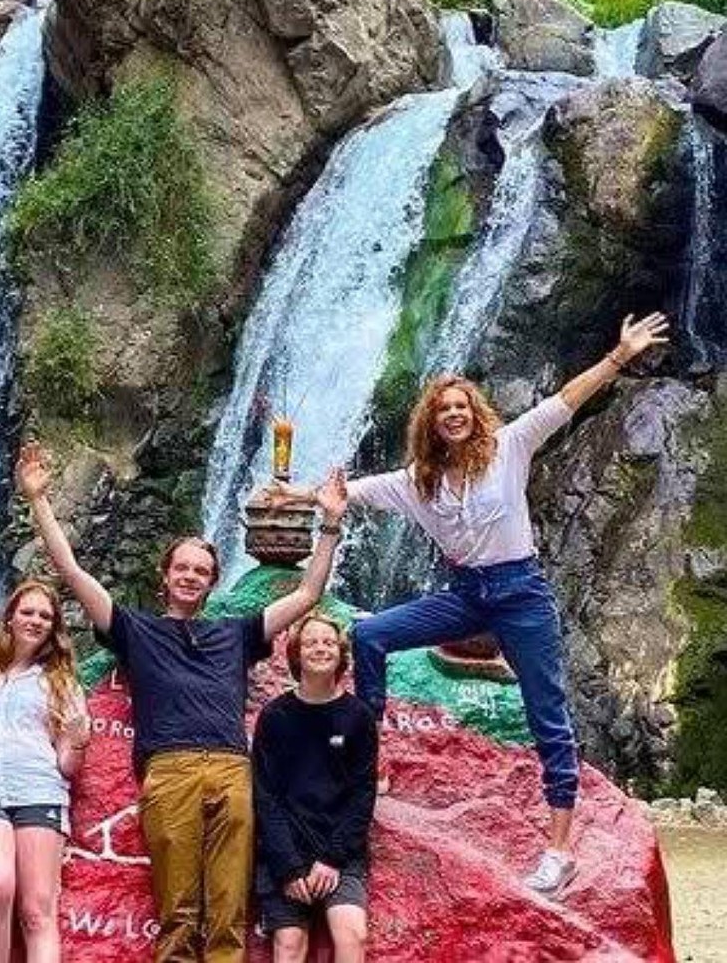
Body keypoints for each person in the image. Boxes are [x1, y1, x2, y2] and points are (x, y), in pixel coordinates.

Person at [272, 312, 670, 897]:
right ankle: (370, 761)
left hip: (520, 594)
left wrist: (619, 355)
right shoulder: (418, 480)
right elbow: (345, 493)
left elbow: (566, 400)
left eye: (462, 406)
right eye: (444, 410)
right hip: (464, 595)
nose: (454, 414)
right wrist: (296, 495)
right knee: (372, 634)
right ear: (431, 423)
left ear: (475, 413)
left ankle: (559, 849)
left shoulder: (511, 447)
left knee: (547, 714)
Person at [14, 440, 348, 963]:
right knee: (178, 915)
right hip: (169, 770)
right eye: (183, 568)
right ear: (165, 576)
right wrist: (38, 499)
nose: (191, 576)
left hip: (233, 770)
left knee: (229, 915)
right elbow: (73, 574)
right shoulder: (135, 630)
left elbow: (306, 596)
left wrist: (328, 523)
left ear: (212, 583)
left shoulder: (236, 633)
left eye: (201, 571)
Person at [0, 579, 89, 963]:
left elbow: (68, 766)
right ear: (9, 618)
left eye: (45, 616)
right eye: (27, 612)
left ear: (54, 627)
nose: (35, 620)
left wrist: (78, 741)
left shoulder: (62, 683)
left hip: (39, 791)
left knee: (36, 910)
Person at [252, 611, 375, 963]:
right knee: (289, 943)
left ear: (341, 653)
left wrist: (332, 859)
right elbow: (265, 796)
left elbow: (362, 793)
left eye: (328, 642)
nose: (320, 649)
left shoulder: (358, 716)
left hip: (340, 851)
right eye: (311, 643)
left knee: (352, 935)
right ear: (296, 654)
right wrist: (289, 867)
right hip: (285, 851)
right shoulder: (275, 717)